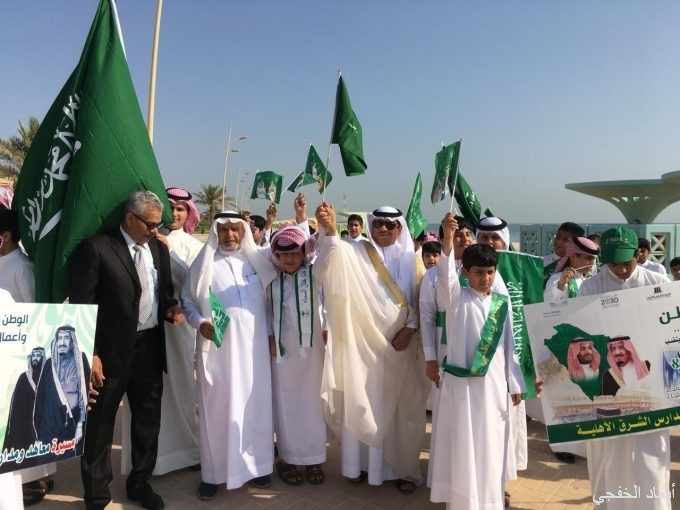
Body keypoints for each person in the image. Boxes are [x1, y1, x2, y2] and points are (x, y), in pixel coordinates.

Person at [69, 190, 183, 510]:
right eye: (150, 224)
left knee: (147, 422)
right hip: (108, 354)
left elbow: (165, 292)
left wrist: (171, 309)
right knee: (101, 425)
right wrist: (90, 353)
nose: (155, 231)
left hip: (149, 349)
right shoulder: (97, 248)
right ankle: (97, 496)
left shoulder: (158, 249)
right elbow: (81, 306)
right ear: (130, 218)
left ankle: (139, 483)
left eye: (158, 225)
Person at [315, 203, 429, 494]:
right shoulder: (356, 252)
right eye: (378, 223)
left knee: (403, 409)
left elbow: (421, 302)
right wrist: (330, 230)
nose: (383, 229)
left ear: (400, 228)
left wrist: (410, 328)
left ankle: (402, 469)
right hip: (363, 348)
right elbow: (327, 263)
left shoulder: (412, 260)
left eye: (390, 225)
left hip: (401, 347)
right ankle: (361, 466)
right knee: (363, 400)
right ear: (370, 225)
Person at [430, 213, 524, 509]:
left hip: (493, 387)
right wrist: (448, 238)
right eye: (479, 272)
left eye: (490, 272)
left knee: (491, 443)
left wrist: (514, 383)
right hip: (462, 389)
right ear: (465, 272)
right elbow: (445, 276)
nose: (485, 278)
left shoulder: (501, 303)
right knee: (463, 443)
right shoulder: (455, 299)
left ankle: (490, 498)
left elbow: (509, 346)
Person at [181, 210, 277, 501]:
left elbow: (272, 300)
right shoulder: (205, 263)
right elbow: (187, 300)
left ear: (244, 232)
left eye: (235, 229)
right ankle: (213, 474)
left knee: (255, 409)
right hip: (218, 354)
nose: (230, 235)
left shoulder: (257, 261)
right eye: (224, 230)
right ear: (216, 232)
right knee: (217, 411)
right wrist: (200, 323)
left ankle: (257, 467)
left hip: (255, 354)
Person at [579, 227, 670, 510]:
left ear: (638, 255)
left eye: (626, 263)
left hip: (650, 389)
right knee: (607, 456)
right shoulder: (590, 287)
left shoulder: (657, 282)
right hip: (608, 389)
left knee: (650, 459)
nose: (619, 269)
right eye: (613, 263)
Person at [121, 187, 204, 476]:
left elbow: (195, 284)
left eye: (181, 209)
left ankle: (188, 450)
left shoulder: (192, 246)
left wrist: (168, 250)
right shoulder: (145, 239)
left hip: (179, 326)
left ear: (189, 213)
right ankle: (152, 459)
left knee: (182, 388)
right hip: (147, 329)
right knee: (149, 397)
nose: (176, 214)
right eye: (172, 208)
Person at [267, 195, 328, 486]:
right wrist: (270, 337)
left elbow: (328, 253)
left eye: (295, 253)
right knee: (285, 405)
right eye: (284, 255)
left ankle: (314, 457)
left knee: (312, 405)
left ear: (304, 254)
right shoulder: (270, 281)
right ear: (276, 256)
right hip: (282, 355)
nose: (290, 259)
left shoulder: (313, 275)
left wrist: (325, 226)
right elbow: (265, 313)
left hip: (312, 354)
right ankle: (287, 459)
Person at [0, 207, 56, 505]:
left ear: (5, 236)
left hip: (20, 357)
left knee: (26, 420)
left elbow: (37, 312)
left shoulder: (22, 267)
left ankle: (36, 479)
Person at [33, 325, 91, 460]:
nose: (62, 342)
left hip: (71, 426)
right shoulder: (49, 364)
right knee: (46, 459)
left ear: (72, 342)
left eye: (66, 338)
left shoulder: (80, 361)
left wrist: (80, 424)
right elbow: (40, 399)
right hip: (50, 427)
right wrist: (37, 435)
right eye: (59, 338)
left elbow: (85, 395)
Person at [3, 347, 46, 454]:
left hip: (42, 422)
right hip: (25, 424)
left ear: (43, 358)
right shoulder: (23, 377)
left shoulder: (47, 377)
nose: (35, 358)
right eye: (33, 356)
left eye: (38, 355)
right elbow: (15, 406)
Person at [544, 237, 600, 302]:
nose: (592, 263)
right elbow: (548, 303)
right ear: (572, 257)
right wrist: (560, 285)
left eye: (593, 260)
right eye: (588, 258)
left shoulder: (589, 280)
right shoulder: (558, 278)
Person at [543, 222, 585, 287]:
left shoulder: (579, 268)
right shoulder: (541, 263)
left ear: (575, 245)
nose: (559, 241)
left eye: (565, 240)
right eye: (558, 237)